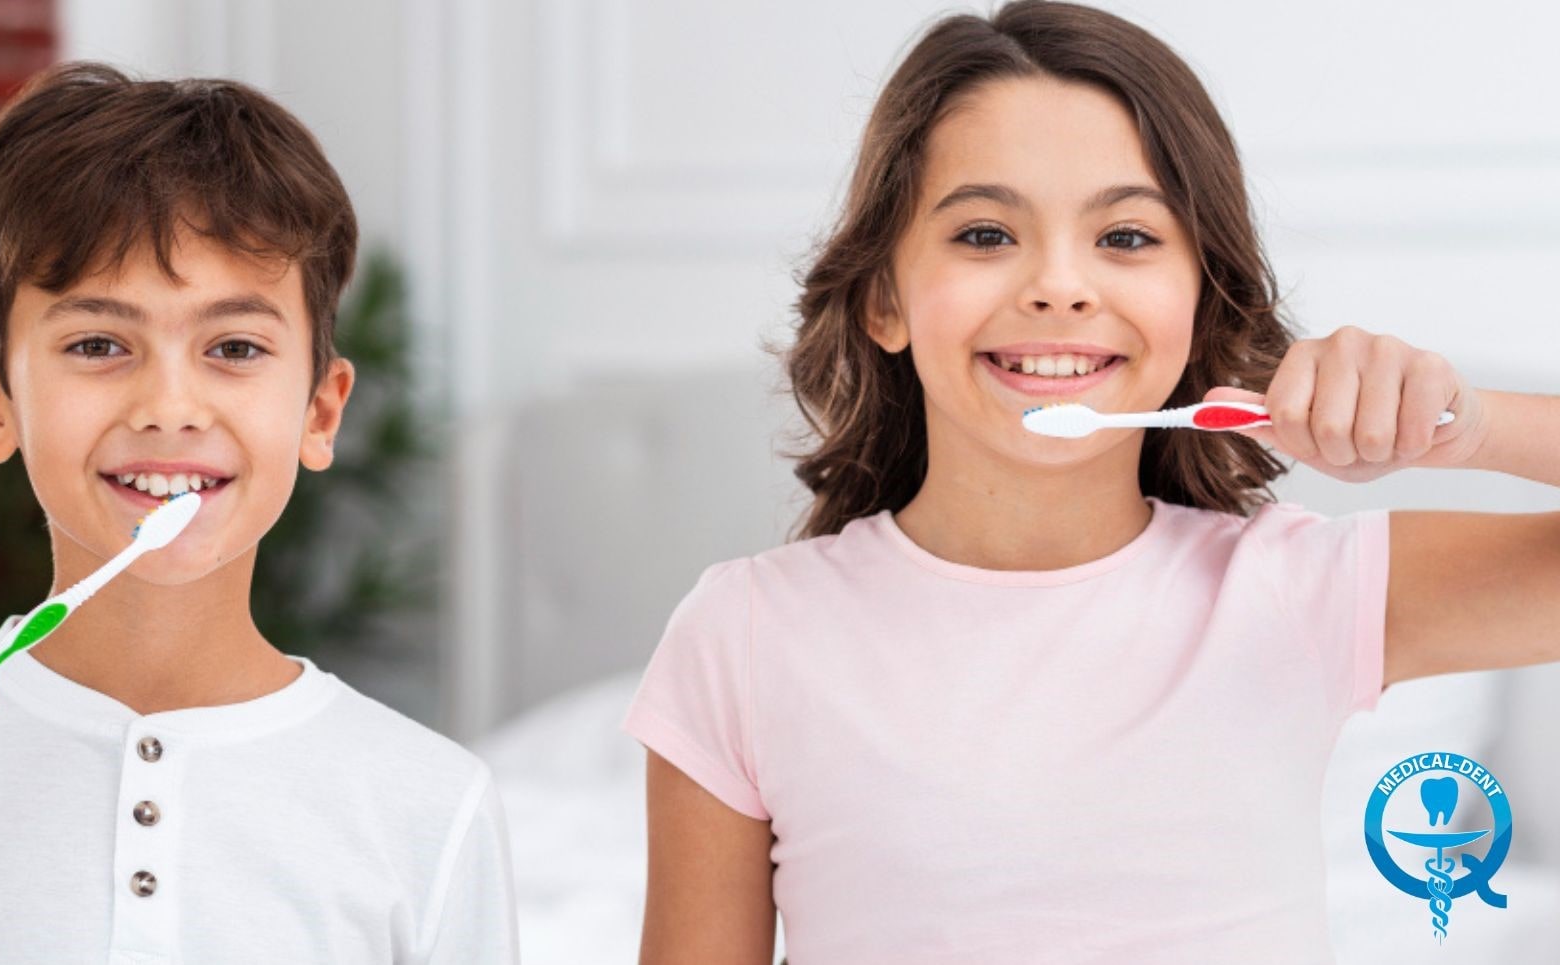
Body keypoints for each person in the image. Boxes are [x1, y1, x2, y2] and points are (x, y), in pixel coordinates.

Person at [624, 2, 1560, 962]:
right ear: (883, 299)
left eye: (1125, 237)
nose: (1060, 286)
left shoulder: (1298, 590)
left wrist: (1472, 425)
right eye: (986, 235)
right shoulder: (743, 635)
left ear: (1201, 298)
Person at [0, 62, 517, 965]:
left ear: (320, 410)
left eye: (234, 346)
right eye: (99, 343)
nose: (169, 404)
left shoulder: (430, 803)